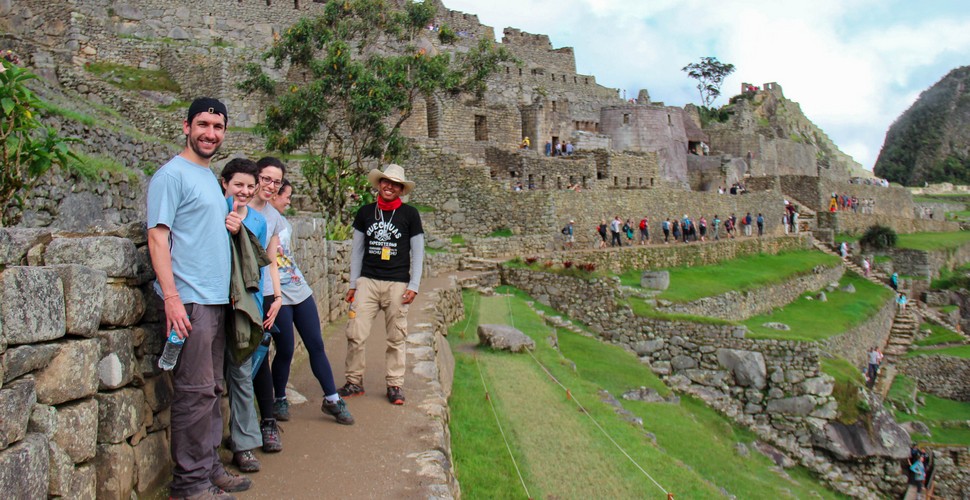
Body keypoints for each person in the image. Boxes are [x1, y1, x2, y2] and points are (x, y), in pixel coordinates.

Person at [147, 98, 251, 499]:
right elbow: (157, 237)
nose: (210, 133)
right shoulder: (171, 176)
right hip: (189, 301)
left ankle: (208, 469)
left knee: (212, 389)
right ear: (186, 126)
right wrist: (172, 299)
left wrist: (229, 222)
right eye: (203, 124)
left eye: (218, 127)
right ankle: (189, 485)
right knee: (193, 393)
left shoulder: (208, 177)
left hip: (214, 299)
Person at [267, 179, 355, 425]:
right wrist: (275, 294)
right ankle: (280, 398)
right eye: (286, 196)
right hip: (278, 292)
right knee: (285, 348)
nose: (288, 201)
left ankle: (332, 399)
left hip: (299, 289)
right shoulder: (258, 218)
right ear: (273, 195)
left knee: (316, 344)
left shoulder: (284, 222)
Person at [339, 164, 425, 405]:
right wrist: (354, 284)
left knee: (396, 336)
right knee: (355, 332)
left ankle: (395, 384)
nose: (389, 187)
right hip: (368, 279)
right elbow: (356, 252)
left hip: (397, 282)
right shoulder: (365, 213)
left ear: (401, 189)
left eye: (395, 184)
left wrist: (414, 285)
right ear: (379, 184)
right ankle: (354, 380)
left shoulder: (410, 215)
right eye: (386, 182)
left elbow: (418, 252)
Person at [219, 159, 273, 474]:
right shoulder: (214, 212)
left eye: (250, 186)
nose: (245, 191)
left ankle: (244, 446)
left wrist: (261, 306)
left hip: (245, 308)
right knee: (211, 379)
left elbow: (258, 268)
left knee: (240, 377)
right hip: (215, 303)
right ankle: (211, 448)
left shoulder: (258, 221)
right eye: (239, 184)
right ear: (225, 183)